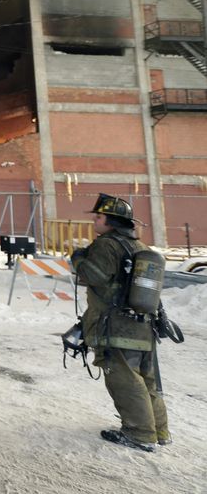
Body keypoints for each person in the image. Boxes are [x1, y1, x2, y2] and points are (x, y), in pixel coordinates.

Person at [70, 193, 170, 452]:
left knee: (124, 380)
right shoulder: (141, 248)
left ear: (112, 221)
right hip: (142, 326)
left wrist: (78, 258)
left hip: (115, 327)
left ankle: (139, 433)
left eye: (99, 216)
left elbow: (95, 276)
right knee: (146, 380)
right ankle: (159, 431)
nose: (95, 219)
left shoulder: (106, 245)